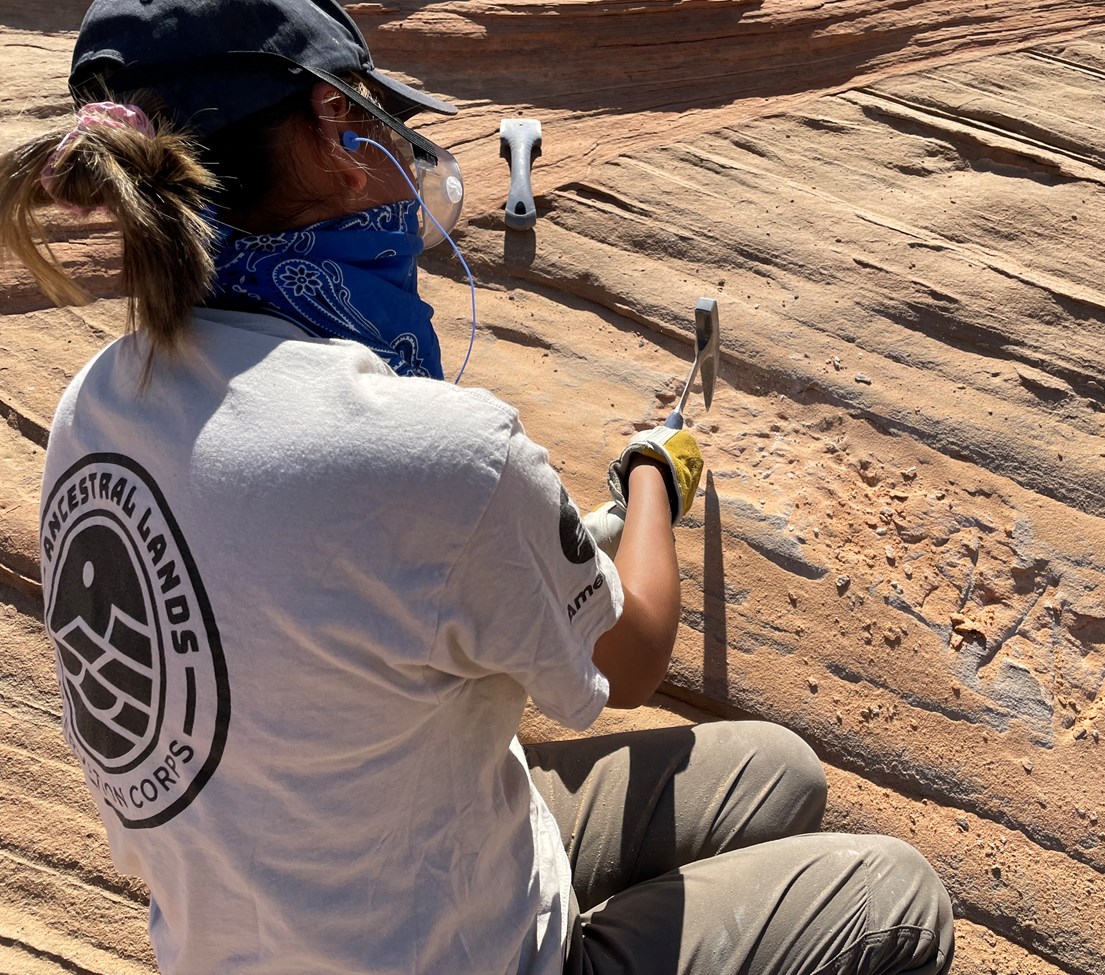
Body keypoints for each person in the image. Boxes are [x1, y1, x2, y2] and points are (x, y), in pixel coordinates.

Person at [0, 0, 955, 972]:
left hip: (292, 892)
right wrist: (651, 481)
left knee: (780, 774)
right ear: (333, 127)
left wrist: (537, 537)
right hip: (458, 949)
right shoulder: (432, 456)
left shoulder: (96, 410)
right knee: (896, 898)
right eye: (376, 116)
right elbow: (630, 659)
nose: (400, 151)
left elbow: (316, 584)